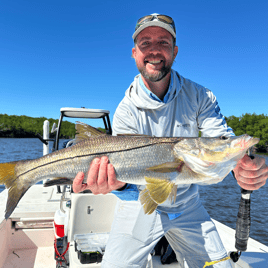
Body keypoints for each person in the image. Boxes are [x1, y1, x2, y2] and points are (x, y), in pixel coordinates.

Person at [73, 14, 268, 268]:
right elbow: (129, 186)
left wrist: (242, 166)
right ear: (134, 53)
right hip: (140, 206)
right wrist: (115, 186)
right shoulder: (125, 110)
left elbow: (220, 139)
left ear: (175, 51)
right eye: (145, 43)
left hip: (188, 205)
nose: (154, 50)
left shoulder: (201, 96)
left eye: (163, 42)